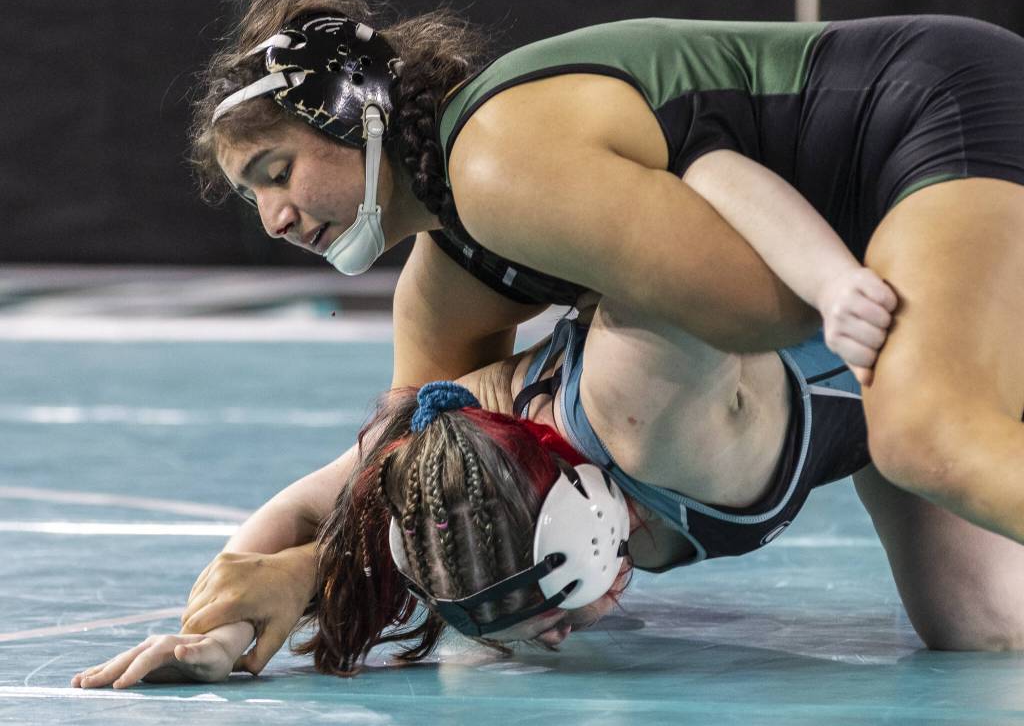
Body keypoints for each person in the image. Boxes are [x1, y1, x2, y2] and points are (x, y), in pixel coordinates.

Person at [194, 0, 1024, 554]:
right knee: (979, 622)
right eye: (252, 197)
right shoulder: (446, 279)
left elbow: (764, 312)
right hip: (858, 218)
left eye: (277, 172)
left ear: (356, 117)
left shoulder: (494, 164)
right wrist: (279, 578)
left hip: (930, 111)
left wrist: (544, 399)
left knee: (928, 436)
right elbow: (408, 472)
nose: (274, 217)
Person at [71, 286, 1024, 688]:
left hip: (939, 313)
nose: (558, 635)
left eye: (549, 603)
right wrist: (222, 634)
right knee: (984, 630)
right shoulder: (450, 464)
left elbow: (712, 184)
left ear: (585, 515)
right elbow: (296, 516)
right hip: (872, 415)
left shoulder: (642, 387)